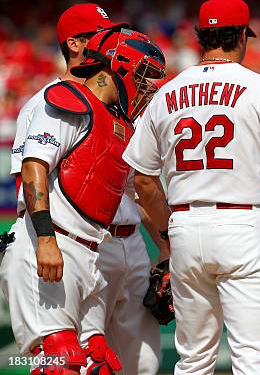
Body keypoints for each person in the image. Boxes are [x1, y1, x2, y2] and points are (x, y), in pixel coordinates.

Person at [122, 0, 260, 375]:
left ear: (201, 38)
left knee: (193, 358)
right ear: (241, 36)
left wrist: (165, 231)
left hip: (187, 226)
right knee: (252, 358)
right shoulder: (258, 88)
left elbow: (142, 177)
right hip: (244, 224)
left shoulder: (167, 92)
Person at [0, 27, 165, 375]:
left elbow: (142, 190)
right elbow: (34, 167)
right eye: (143, 74)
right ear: (119, 67)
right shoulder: (64, 100)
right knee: (60, 362)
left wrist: (167, 250)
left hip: (91, 254)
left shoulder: (120, 122)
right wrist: (45, 238)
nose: (148, 85)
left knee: (98, 363)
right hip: (49, 245)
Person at [10, 3, 125, 219]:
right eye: (101, 35)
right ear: (73, 44)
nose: (111, 42)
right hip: (64, 237)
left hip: (114, 239)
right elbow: (24, 183)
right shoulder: (40, 104)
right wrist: (44, 239)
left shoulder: (118, 103)